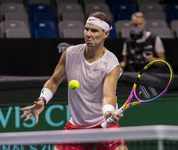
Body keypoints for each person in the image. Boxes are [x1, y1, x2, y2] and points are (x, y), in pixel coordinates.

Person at [20, 12, 128, 150]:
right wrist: (42, 100)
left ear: (106, 34)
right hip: (76, 126)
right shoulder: (70, 53)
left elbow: (108, 95)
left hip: (105, 123)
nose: (88, 34)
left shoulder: (111, 63)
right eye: (86, 29)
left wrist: (108, 112)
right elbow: (53, 81)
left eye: (94, 30)